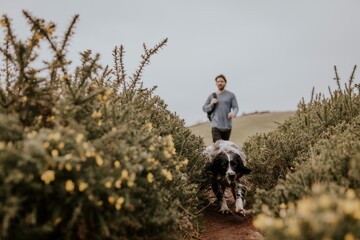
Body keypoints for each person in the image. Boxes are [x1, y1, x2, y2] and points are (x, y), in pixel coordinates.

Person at [203, 74, 239, 143]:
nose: (220, 83)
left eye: (221, 81)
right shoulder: (212, 96)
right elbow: (204, 108)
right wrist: (211, 104)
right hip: (215, 125)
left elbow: (236, 107)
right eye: (218, 81)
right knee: (218, 147)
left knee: (225, 148)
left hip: (227, 126)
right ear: (216, 83)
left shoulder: (231, 95)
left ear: (225, 82)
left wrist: (233, 113)